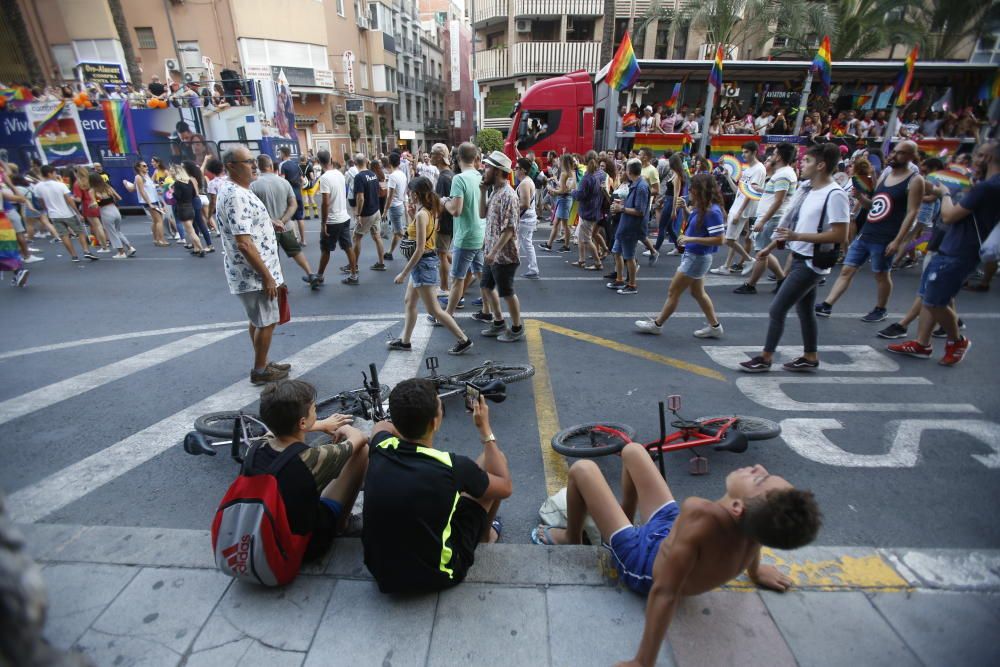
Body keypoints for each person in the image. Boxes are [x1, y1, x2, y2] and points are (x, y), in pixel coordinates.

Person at [534, 444, 819, 667]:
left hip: (641, 562)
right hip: (669, 532)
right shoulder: (754, 526)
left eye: (760, 478)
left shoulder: (699, 515)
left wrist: (643, 661)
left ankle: (571, 537)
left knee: (583, 469)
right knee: (633, 452)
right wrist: (756, 573)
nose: (757, 466)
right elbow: (755, 539)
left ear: (736, 507)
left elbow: (665, 592)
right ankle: (623, 518)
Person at [362, 378, 512, 593]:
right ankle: (486, 536)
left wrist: (401, 425)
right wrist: (485, 429)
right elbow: (505, 486)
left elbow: (380, 426)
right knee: (498, 462)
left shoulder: (381, 444)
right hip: (439, 575)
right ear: (435, 422)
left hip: (380, 572)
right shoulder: (453, 467)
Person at [739, 143, 850, 373]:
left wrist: (798, 236)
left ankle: (766, 357)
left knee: (777, 309)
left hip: (812, 262)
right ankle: (810, 356)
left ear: (821, 165)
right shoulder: (807, 189)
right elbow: (791, 223)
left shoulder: (835, 194)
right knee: (805, 310)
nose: (802, 164)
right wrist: (769, 247)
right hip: (799, 255)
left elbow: (840, 234)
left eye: (807, 161)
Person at [887, 140, 999, 366]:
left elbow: (949, 215)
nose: (974, 161)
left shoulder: (987, 187)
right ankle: (922, 343)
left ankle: (957, 340)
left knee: (935, 301)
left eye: (979, 156)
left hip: (959, 250)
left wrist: (944, 193)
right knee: (931, 296)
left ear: (988, 158)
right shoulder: (986, 184)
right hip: (953, 246)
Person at [255, 380, 369, 561]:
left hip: (264, 533)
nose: (316, 413)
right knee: (362, 451)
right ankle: (341, 525)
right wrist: (346, 427)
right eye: (314, 410)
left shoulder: (256, 447)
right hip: (304, 545)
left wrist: (319, 424)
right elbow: (359, 439)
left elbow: (276, 433)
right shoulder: (310, 458)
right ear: (302, 422)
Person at [814, 141, 923, 322]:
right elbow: (875, 205)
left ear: (911, 157)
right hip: (868, 231)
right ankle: (827, 304)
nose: (894, 156)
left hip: (887, 235)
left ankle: (881, 308)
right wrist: (860, 198)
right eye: (894, 152)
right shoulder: (886, 175)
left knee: (881, 274)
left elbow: (913, 212)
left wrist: (898, 241)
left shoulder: (914, 180)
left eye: (901, 153)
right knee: (847, 270)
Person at [215, 146, 289, 385]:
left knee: (259, 320)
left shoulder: (237, 190)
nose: (253, 164)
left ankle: (263, 360)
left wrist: (269, 223)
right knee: (267, 321)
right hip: (254, 275)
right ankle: (260, 369)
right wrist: (267, 277)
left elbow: (247, 227)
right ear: (231, 166)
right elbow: (244, 244)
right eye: (247, 162)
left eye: (253, 160)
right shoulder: (235, 195)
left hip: (253, 273)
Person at [387, 176, 472, 352]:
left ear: (417, 194)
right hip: (424, 263)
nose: (408, 195)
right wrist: (410, 214)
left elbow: (419, 249)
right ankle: (405, 341)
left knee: (434, 310)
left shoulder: (422, 214)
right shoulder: (427, 211)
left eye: (410, 192)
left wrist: (403, 273)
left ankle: (463, 340)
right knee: (409, 301)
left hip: (422, 264)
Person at [635, 173, 726, 338]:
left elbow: (720, 239)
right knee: (698, 293)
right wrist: (685, 208)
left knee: (673, 291)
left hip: (696, 257)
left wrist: (691, 238)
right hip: (695, 255)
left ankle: (657, 324)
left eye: (694, 188)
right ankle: (715, 326)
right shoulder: (702, 207)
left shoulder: (713, 211)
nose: (690, 190)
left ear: (702, 190)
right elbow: (694, 222)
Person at [436, 142, 486, 347]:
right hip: (480, 231)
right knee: (481, 274)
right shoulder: (481, 176)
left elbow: (455, 210)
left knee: (456, 280)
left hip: (465, 235)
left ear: (457, 159)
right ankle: (488, 312)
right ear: (475, 158)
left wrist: (443, 202)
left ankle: (447, 315)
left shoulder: (459, 179)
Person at [734, 144, 798, 295]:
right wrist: (762, 190)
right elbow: (777, 196)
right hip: (771, 217)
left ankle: (751, 285)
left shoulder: (783, 174)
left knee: (762, 253)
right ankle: (782, 280)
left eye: (775, 154)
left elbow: (778, 200)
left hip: (772, 218)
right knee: (764, 252)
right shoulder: (784, 173)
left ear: (780, 157)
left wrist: (763, 221)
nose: (771, 156)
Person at [251, 154, 319, 287]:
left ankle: (281, 284)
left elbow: (254, 210)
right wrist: (283, 221)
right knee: (296, 251)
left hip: (267, 229)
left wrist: (273, 221)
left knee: (273, 257)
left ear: (258, 167)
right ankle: (311, 274)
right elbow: (293, 204)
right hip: (286, 226)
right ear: (271, 166)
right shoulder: (284, 182)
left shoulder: (254, 186)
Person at [478, 151, 524, 342]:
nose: (484, 169)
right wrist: (482, 191)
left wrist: (494, 251)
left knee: (507, 291)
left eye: (487, 167)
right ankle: (498, 322)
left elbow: (509, 230)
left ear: (497, 171)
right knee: (486, 287)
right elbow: (482, 214)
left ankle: (516, 327)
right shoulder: (495, 191)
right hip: (491, 253)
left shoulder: (509, 195)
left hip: (504, 255)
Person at [711, 141, 766, 275]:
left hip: (742, 209)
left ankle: (749, 259)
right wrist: (727, 176)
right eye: (743, 152)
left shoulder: (759, 169)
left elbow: (751, 193)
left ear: (754, 152)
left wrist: (740, 212)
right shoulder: (748, 168)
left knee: (729, 239)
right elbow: (739, 190)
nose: (743, 154)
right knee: (733, 238)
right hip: (738, 205)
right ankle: (726, 266)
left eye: (746, 152)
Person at [34, 164, 97, 262]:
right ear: (50, 173)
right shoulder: (60, 185)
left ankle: (74, 256)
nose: (55, 174)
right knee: (80, 232)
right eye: (54, 173)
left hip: (53, 214)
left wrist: (47, 209)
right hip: (68, 213)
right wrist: (78, 213)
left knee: (64, 235)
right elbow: (69, 200)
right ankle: (86, 251)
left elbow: (41, 201)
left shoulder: (38, 187)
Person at [316, 150, 357, 286]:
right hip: (344, 217)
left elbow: (325, 202)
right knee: (348, 247)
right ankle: (354, 275)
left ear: (318, 161)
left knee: (326, 249)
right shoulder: (339, 174)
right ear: (331, 159)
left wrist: (323, 223)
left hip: (333, 220)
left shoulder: (325, 178)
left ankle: (320, 276)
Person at [608, 159, 649, 295]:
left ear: (629, 171)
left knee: (629, 256)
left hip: (632, 227)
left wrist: (622, 208)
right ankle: (619, 279)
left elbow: (640, 210)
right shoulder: (635, 184)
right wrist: (621, 206)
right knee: (617, 251)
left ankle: (632, 285)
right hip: (625, 225)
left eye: (625, 169)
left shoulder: (641, 186)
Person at [351, 155, 387, 274]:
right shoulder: (373, 174)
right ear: (366, 162)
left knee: (356, 237)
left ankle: (354, 266)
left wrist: (358, 214)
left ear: (355, 163)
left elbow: (360, 197)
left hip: (367, 213)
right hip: (376, 210)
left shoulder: (359, 177)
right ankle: (381, 263)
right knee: (377, 237)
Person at [570, 152, 604, 270]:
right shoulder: (599, 175)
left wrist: (573, 191)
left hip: (587, 211)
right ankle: (582, 260)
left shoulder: (587, 177)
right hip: (594, 209)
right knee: (581, 237)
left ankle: (598, 262)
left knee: (587, 239)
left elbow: (580, 195)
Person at [89, 173, 135, 259]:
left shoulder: (92, 190)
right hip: (115, 210)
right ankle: (130, 247)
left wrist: (93, 205)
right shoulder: (107, 187)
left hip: (105, 212)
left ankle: (121, 253)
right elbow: (119, 197)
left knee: (112, 233)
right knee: (118, 231)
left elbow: (95, 204)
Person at [430, 143, 455, 292]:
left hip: (445, 222)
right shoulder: (450, 174)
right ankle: (464, 271)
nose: (430, 155)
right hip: (452, 221)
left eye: (432, 153)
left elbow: (440, 203)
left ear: (439, 157)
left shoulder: (443, 178)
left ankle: (444, 287)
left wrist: (435, 221)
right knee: (444, 251)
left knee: (442, 254)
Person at [652, 154, 688, 255]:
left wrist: (674, 210)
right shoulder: (675, 174)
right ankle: (679, 247)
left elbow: (676, 194)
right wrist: (663, 200)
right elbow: (670, 192)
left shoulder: (677, 177)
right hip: (668, 201)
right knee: (669, 227)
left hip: (671, 203)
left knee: (663, 226)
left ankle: (656, 249)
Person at [541, 153, 577, 252]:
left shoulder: (564, 173)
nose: (559, 163)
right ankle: (549, 244)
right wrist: (556, 183)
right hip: (567, 199)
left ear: (563, 162)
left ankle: (566, 246)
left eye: (560, 161)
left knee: (564, 225)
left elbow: (562, 190)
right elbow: (568, 188)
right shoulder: (572, 172)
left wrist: (552, 190)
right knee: (557, 223)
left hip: (563, 199)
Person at [170, 164, 206, 257]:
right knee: (192, 230)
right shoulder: (189, 181)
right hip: (190, 207)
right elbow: (194, 194)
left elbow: (177, 197)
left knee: (191, 232)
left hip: (182, 208)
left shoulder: (177, 183)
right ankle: (197, 249)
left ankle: (201, 249)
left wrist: (172, 191)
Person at [72, 166, 109, 251]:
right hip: (97, 202)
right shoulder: (90, 179)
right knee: (101, 225)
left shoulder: (78, 183)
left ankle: (104, 246)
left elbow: (78, 199)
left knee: (97, 226)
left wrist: (70, 197)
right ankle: (106, 241)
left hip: (88, 205)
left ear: (76, 173)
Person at [515, 158, 540, 279]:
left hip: (524, 220)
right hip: (528, 219)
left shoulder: (525, 183)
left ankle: (509, 268)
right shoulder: (527, 181)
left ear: (523, 170)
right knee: (526, 244)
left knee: (516, 244)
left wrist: (511, 205)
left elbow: (525, 204)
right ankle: (533, 268)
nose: (514, 170)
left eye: (516, 168)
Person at [277, 146, 306, 245]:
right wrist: (299, 189)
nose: (279, 155)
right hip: (298, 193)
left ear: (283, 154)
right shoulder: (296, 164)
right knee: (300, 217)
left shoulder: (282, 165)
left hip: (289, 194)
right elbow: (302, 180)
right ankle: (303, 240)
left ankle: (295, 239)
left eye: (280, 153)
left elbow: (282, 181)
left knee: (291, 217)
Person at [134, 160, 168, 246]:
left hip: (154, 200)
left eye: (146, 165)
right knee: (159, 220)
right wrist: (149, 203)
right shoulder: (138, 177)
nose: (147, 167)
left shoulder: (146, 175)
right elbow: (142, 191)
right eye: (144, 166)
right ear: (138, 168)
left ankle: (156, 239)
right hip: (150, 201)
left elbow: (150, 187)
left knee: (155, 221)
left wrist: (158, 185)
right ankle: (161, 240)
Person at [382, 152, 408, 261]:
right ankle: (389, 252)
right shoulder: (401, 174)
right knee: (396, 231)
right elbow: (404, 190)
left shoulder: (392, 176)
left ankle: (416, 246)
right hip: (400, 204)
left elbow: (390, 196)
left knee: (400, 232)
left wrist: (384, 211)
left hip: (394, 206)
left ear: (390, 162)